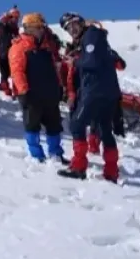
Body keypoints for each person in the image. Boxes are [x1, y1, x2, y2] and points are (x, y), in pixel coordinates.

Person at [57, 12, 122, 182]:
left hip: (95, 90)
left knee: (77, 124)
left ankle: (79, 167)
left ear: (81, 22)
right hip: (108, 91)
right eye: (67, 28)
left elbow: (91, 62)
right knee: (105, 130)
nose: (71, 30)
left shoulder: (92, 35)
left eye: (73, 25)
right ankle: (111, 171)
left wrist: (75, 62)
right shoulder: (95, 38)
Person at [8, 12, 67, 164]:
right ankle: (36, 155)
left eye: (42, 27)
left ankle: (56, 153)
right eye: (39, 27)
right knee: (32, 125)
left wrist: (59, 86)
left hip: (50, 93)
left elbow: (54, 68)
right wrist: (23, 91)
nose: (42, 30)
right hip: (31, 93)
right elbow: (17, 71)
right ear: (29, 28)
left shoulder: (46, 47)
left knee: (54, 124)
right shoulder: (19, 46)